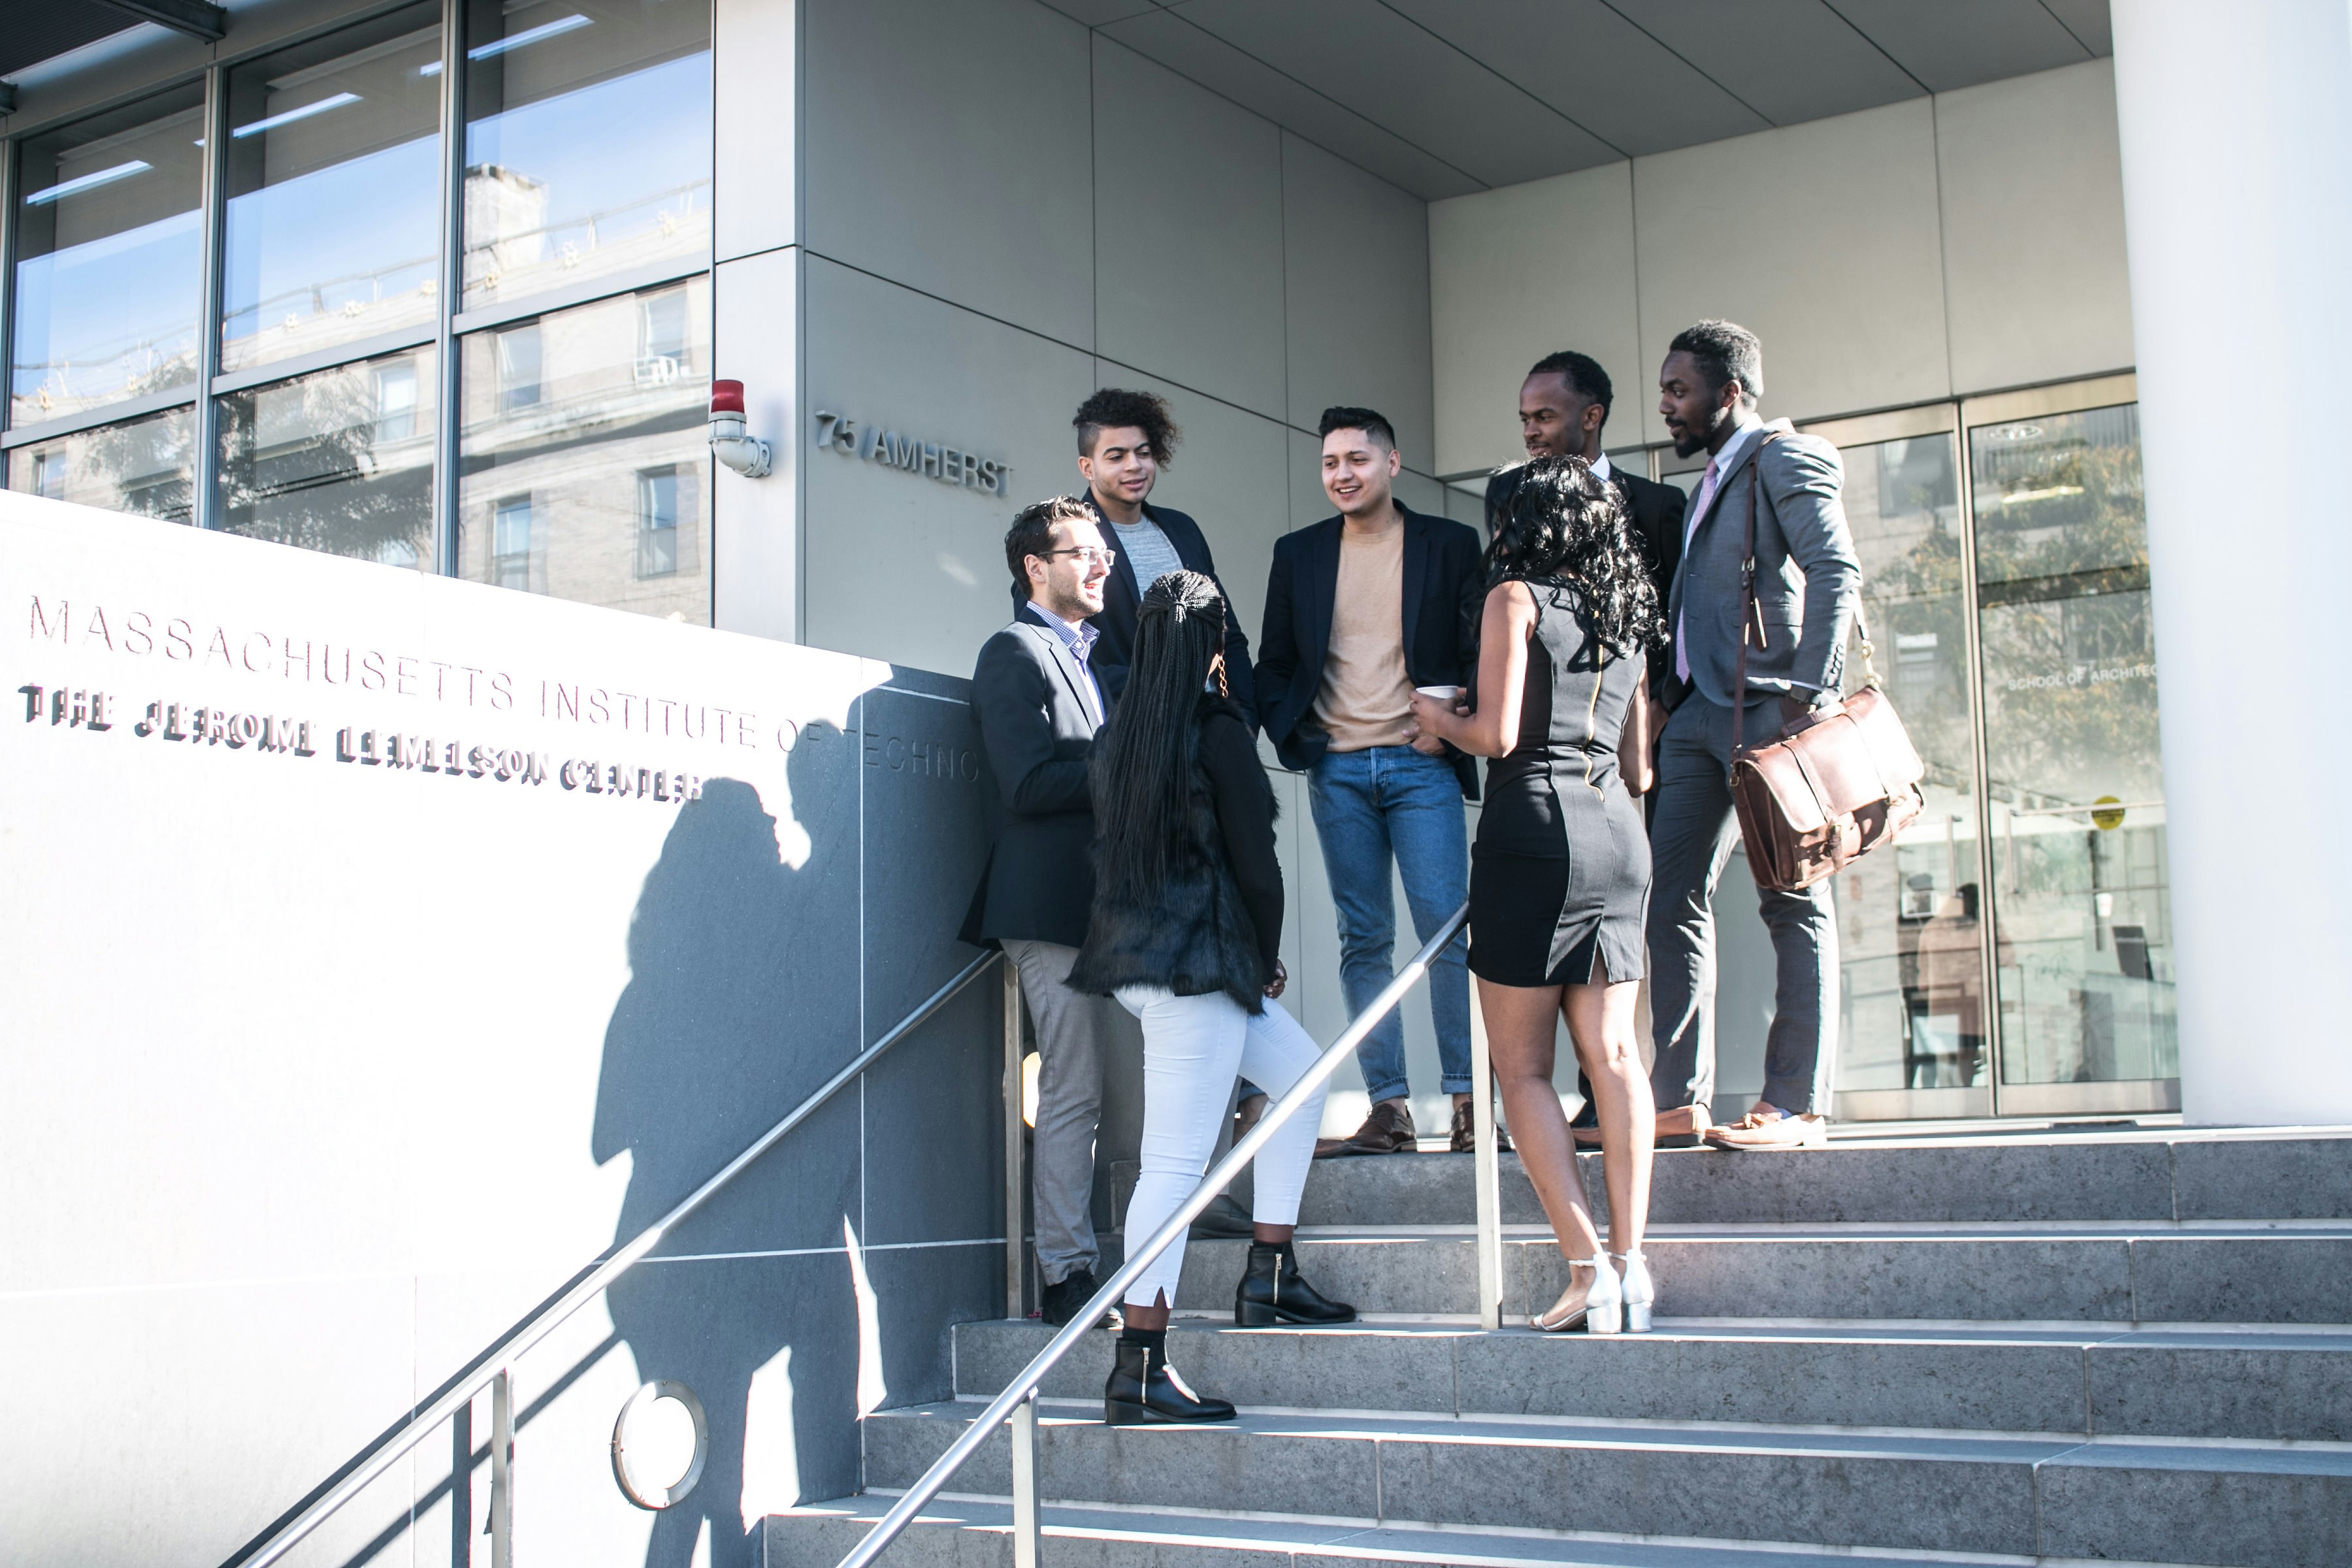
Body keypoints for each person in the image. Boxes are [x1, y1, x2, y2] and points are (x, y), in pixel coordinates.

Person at [1069, 570, 1355, 1425]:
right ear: (1213, 643)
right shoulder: (1217, 727)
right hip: (1202, 969)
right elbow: (1257, 867)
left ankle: (1270, 1271)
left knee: (1303, 1075)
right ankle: (1141, 1364)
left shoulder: (1123, 731)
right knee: (1174, 1167)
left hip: (1140, 963)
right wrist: (1266, 959)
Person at [1408, 455, 1663, 1333]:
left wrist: (1430, 715)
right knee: (1618, 1057)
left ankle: (1586, 1270)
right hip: (1621, 834)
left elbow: (1497, 733)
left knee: (1521, 1070)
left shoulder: (1513, 597)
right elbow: (1640, 764)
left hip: (1534, 831)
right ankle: (1632, 1267)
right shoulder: (1627, 612)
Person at [1650, 321, 1861, 1151]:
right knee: (1668, 899)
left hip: (1774, 712)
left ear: (1728, 392)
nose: (1667, 405)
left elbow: (1836, 569)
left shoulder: (1785, 455)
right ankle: (1677, 1100)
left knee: (1791, 899)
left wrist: (1813, 695)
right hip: (1700, 716)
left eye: (1678, 390)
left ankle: (1796, 1103)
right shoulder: (1712, 476)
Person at [1257, 406, 1490, 1157]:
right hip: (1340, 771)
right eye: (1330, 463)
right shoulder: (1297, 554)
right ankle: (1388, 1107)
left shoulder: (1448, 544)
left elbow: (1478, 647)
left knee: (1446, 931)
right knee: (1363, 939)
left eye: (1357, 459)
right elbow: (1275, 663)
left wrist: (1448, 727)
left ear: (1392, 464)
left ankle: (1467, 1101)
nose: (1342, 475)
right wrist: (1300, 741)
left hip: (1422, 764)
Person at [1484, 351, 1691, 1148]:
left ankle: (1614, 1111)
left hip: (1615, 767)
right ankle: (1618, 1242)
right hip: (1569, 767)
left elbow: (1669, 622)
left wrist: (1650, 714)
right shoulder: (1512, 505)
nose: (1532, 431)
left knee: (1598, 1016)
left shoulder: (1657, 506)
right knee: (1585, 1007)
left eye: (1544, 416)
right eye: (1525, 419)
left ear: (1591, 415)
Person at [960, 496, 1143, 1326]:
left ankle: (1127, 1254)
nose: (1102, 564)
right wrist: (1123, 763)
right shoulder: (1013, 652)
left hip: (1105, 910)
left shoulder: (1091, 659)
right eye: (1082, 553)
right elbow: (1027, 783)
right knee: (1074, 1090)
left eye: (1102, 552)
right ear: (1036, 568)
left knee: (1122, 1089)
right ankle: (1067, 1272)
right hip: (1046, 906)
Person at [1036, 387, 1257, 724]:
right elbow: (1054, 654)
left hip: (1211, 734)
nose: (1134, 466)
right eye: (1116, 456)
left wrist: (1243, 720)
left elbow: (1229, 635)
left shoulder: (1183, 530)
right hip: (1129, 736)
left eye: (1143, 452)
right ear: (1087, 467)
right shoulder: (1061, 540)